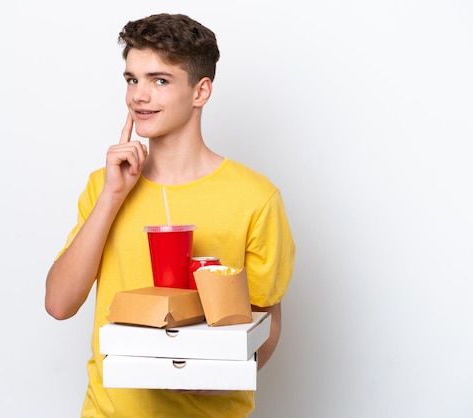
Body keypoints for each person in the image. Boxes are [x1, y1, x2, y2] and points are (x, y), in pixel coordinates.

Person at [45, 13, 295, 418]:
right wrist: (112, 196)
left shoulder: (255, 197)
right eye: (132, 79)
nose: (139, 95)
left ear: (200, 91)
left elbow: (266, 323)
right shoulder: (103, 186)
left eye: (159, 80)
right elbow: (59, 303)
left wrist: (208, 380)